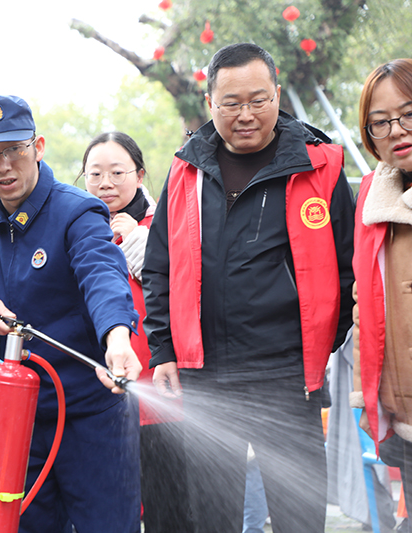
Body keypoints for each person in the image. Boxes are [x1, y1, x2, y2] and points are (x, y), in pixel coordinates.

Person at [142, 43, 355, 532]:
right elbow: (159, 267)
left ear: (277, 95)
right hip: (207, 377)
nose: (245, 115)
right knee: (213, 518)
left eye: (258, 100)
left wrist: (320, 340)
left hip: (288, 379)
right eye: (231, 103)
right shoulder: (185, 171)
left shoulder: (319, 166)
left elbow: (349, 272)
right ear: (209, 103)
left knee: (300, 518)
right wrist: (164, 349)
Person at [0, 95, 142, 532]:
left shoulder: (77, 210)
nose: (3, 166)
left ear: (37, 147)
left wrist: (117, 337)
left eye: (14, 150)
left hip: (93, 413)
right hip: (18, 418)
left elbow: (102, 274)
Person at [80, 131, 190, 532]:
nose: (105, 183)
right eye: (95, 174)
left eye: (116, 172)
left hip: (160, 393)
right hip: (99, 400)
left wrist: (142, 243)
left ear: (140, 174)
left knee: (168, 510)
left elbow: (187, 290)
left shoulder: (166, 225)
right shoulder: (78, 229)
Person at [351, 57, 412, 512]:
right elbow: (364, 302)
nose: (396, 130)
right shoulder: (374, 195)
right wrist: (366, 396)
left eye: (409, 113)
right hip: (404, 412)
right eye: (380, 123)